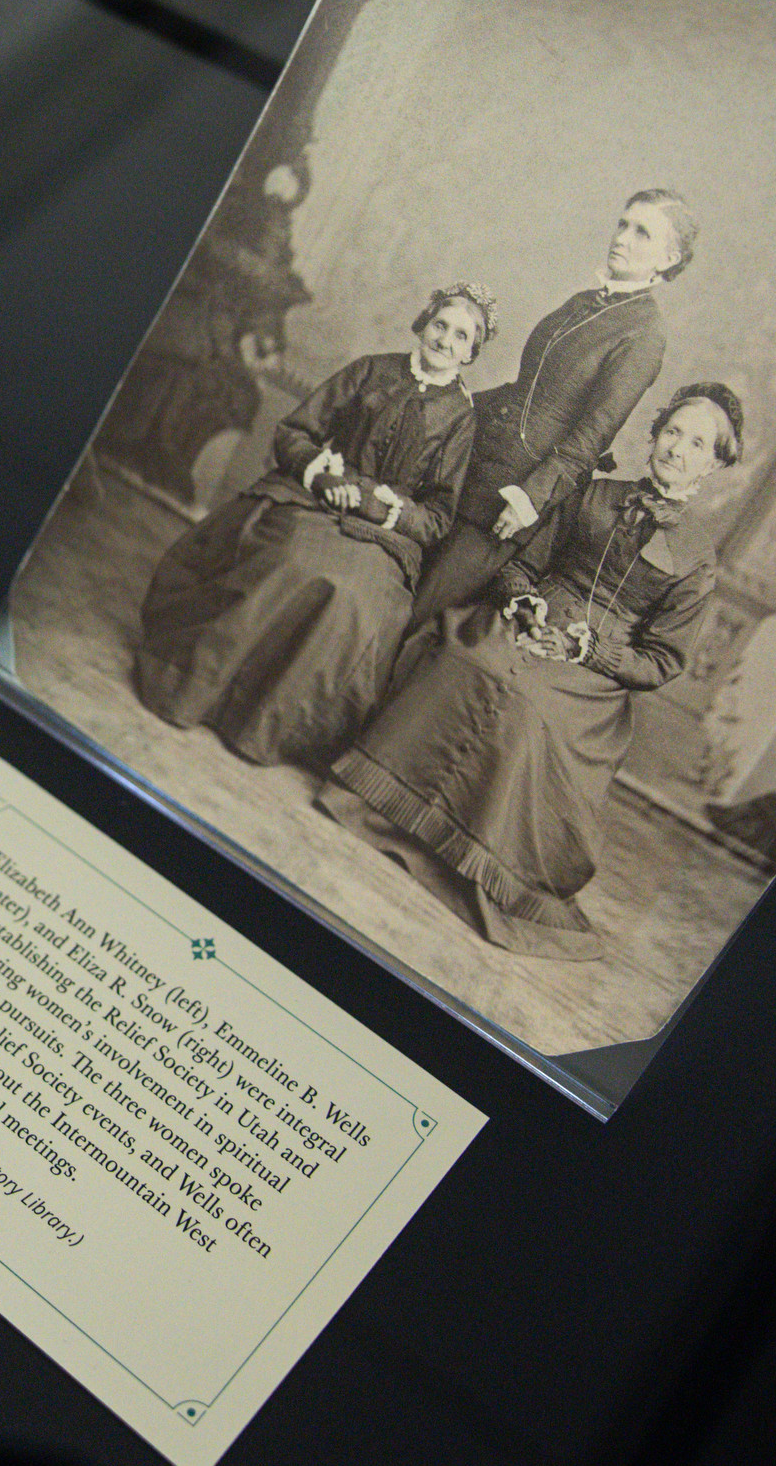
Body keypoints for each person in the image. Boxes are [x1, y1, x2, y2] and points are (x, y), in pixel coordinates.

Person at [322, 381, 744, 960]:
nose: (677, 449)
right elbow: (523, 563)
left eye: (698, 443)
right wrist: (526, 600)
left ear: (715, 464)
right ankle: (385, 807)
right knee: (465, 658)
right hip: (533, 615)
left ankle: (471, 861)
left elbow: (663, 660)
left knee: (529, 709)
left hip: (593, 676)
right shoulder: (594, 494)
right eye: (673, 431)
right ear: (655, 431)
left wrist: (590, 650)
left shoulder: (699, 560)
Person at [133, 285, 491, 766]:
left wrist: (379, 506)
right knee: (292, 560)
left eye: (461, 336)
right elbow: (294, 432)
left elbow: (437, 519)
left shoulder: (460, 419)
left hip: (380, 536)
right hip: (314, 501)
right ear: (424, 324)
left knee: (352, 599)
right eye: (441, 325)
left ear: (470, 352)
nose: (446, 340)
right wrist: (323, 476)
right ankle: (200, 689)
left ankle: (263, 726)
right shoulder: (370, 370)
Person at [408, 189, 694, 627]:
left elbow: (595, 432)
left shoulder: (644, 333)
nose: (622, 238)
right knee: (393, 575)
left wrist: (531, 498)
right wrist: (450, 398)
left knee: (417, 611)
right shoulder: (585, 301)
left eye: (641, 232)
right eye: (623, 224)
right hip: (473, 455)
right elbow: (528, 389)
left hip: (511, 493)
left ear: (668, 257)